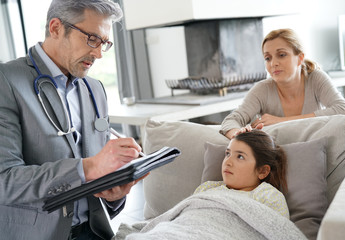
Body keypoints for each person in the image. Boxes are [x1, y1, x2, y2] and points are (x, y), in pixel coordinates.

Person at [0, 1, 145, 239]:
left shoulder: (95, 89)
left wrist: (115, 193)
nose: (98, 53)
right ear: (56, 28)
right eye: (92, 39)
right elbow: (5, 181)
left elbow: (98, 180)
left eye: (104, 43)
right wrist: (88, 168)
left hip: (95, 232)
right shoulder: (6, 81)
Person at [114, 130, 304, 240]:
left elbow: (276, 230)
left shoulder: (267, 195)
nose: (228, 162)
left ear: (262, 171)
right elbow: (185, 216)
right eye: (228, 154)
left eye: (240, 156)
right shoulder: (208, 189)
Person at [220, 28, 345, 139]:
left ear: (300, 58)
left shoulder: (315, 78)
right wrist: (238, 135)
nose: (273, 63)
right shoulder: (262, 89)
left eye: (282, 55)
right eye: (268, 58)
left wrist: (281, 122)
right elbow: (231, 121)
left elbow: (344, 110)